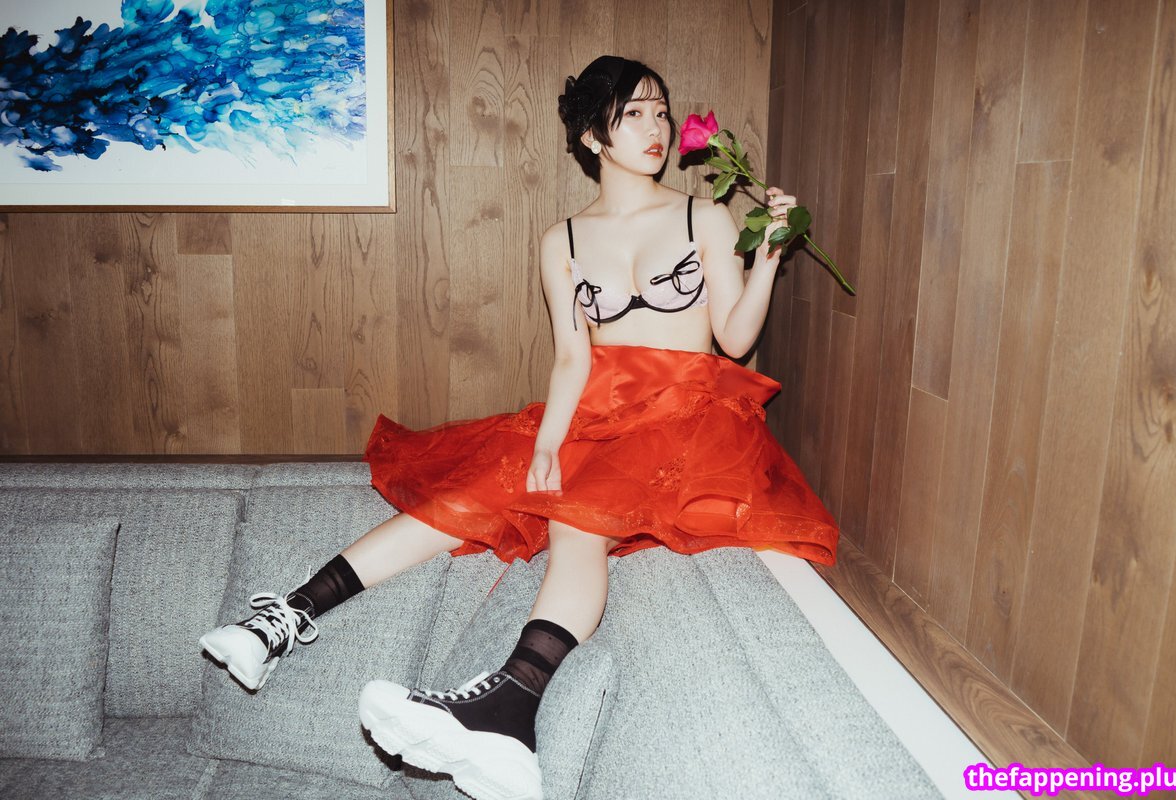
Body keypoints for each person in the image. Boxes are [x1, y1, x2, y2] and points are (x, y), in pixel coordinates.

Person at [199, 54, 839, 800]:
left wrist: (769, 255)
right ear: (593, 136)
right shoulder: (562, 239)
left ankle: (510, 709)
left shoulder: (704, 216)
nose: (656, 128)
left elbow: (734, 338)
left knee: (575, 519)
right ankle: (283, 618)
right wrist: (546, 443)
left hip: (686, 417)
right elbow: (572, 358)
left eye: (662, 112)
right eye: (633, 113)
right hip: (596, 412)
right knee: (470, 493)